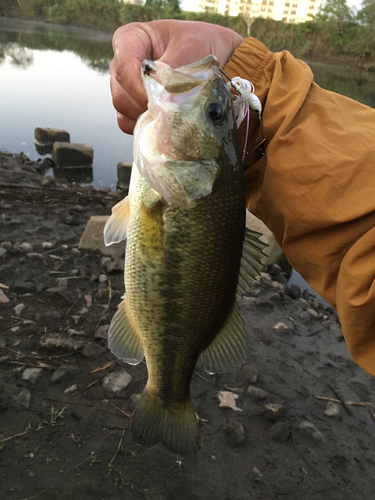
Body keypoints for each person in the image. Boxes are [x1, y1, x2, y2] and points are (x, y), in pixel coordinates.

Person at [110, 20, 375, 377]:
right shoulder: (184, 187)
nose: (211, 110)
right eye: (215, 114)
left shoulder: (177, 191)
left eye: (213, 114)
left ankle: (166, 392)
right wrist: (253, 86)